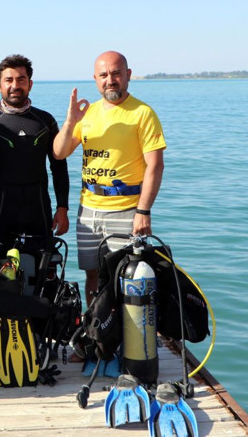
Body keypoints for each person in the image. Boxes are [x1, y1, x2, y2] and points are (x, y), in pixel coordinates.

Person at [53, 51, 166, 308]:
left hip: (126, 210)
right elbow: (59, 152)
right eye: (103, 75)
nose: (110, 80)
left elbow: (155, 165)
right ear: (95, 79)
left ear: (128, 75)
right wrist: (71, 121)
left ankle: (126, 336)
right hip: (89, 210)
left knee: (125, 274)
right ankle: (96, 331)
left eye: (116, 73)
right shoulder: (88, 113)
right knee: (92, 273)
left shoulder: (142, 113)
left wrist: (144, 211)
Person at [0, 54, 70, 253]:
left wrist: (62, 207)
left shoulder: (45, 121)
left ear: (30, 84)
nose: (15, 85)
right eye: (9, 80)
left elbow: (59, 165)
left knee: (44, 279)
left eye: (21, 79)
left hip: (38, 213)